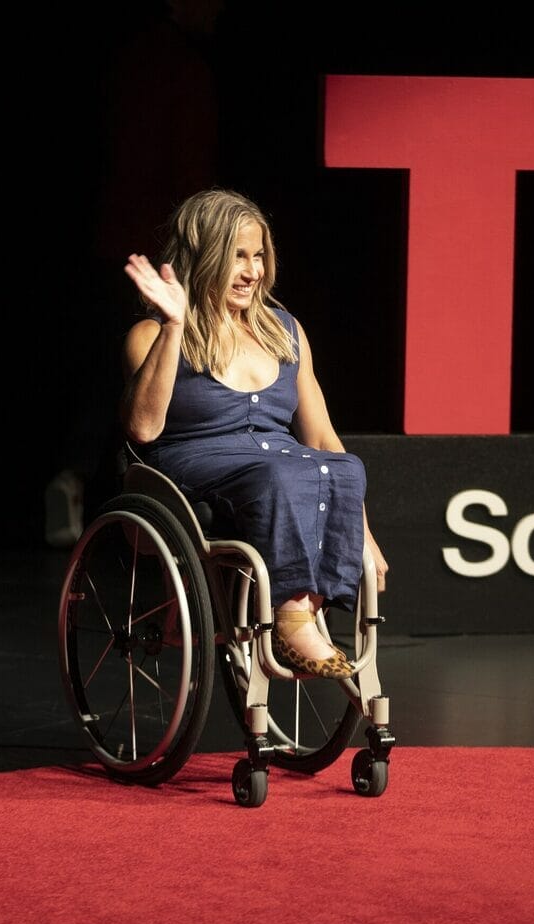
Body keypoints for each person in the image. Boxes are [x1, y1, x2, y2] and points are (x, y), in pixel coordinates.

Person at [120, 188, 389, 680]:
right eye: (237, 257)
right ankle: (291, 617)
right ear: (203, 257)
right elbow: (143, 428)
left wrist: (364, 536)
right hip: (196, 469)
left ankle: (305, 608)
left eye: (259, 255)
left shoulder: (285, 330)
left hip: (275, 467)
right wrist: (175, 325)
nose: (253, 272)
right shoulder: (152, 334)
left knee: (345, 467)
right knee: (280, 474)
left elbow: (322, 438)